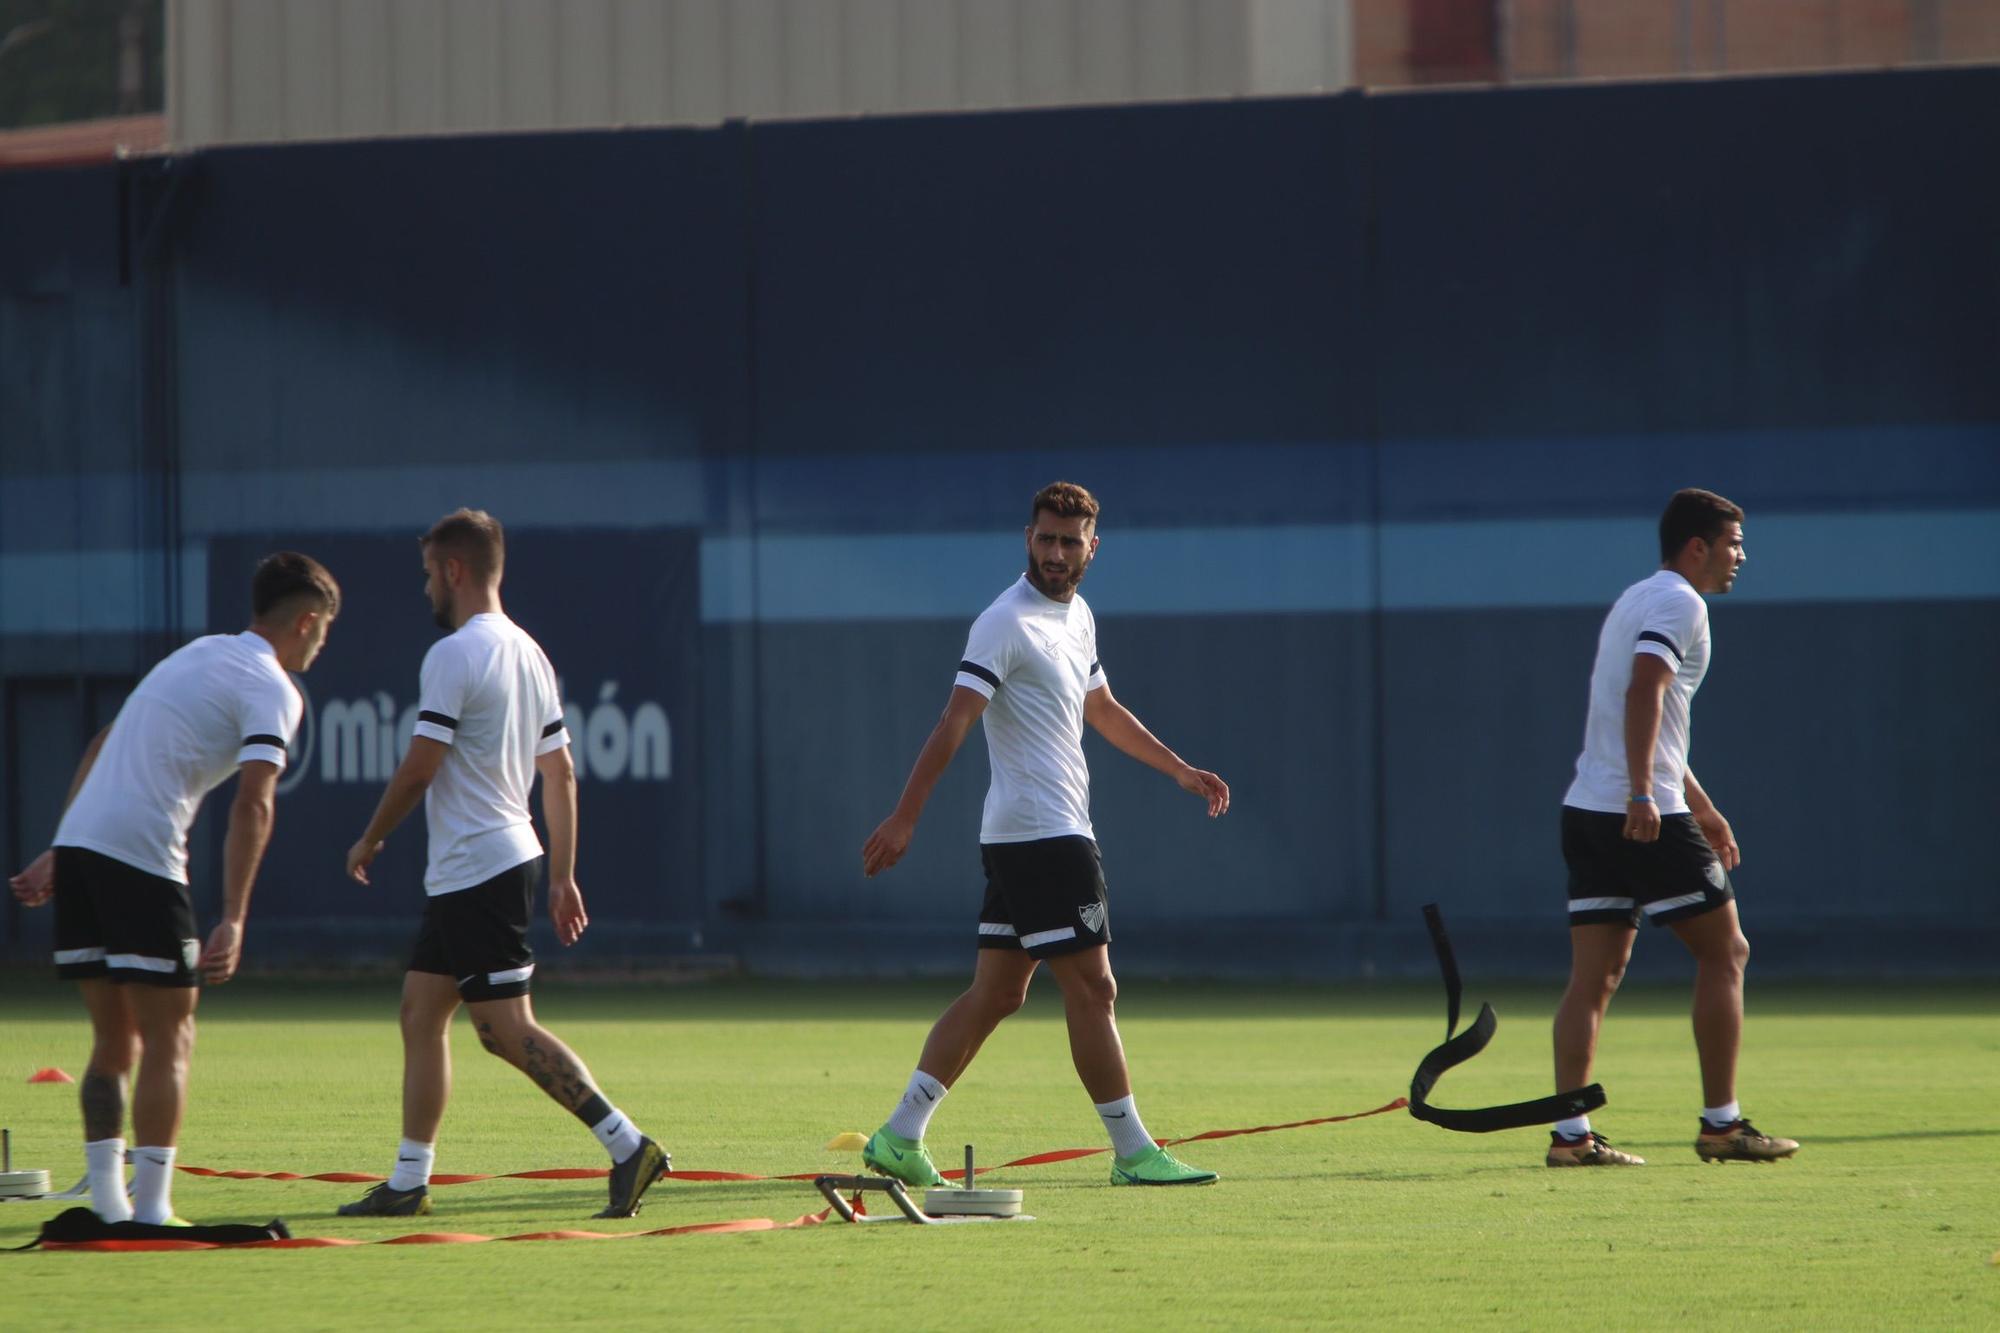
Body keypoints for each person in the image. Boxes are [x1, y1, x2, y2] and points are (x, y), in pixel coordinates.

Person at [858, 481, 1230, 1188]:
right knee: (1096, 989)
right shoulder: (1005, 622)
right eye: (1045, 537)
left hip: (1026, 837)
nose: (1056, 552)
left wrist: (1178, 768)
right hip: (1045, 837)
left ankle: (899, 1134)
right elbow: (954, 722)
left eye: (1069, 540)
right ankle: (1132, 1152)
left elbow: (1104, 708)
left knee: (997, 993)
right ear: (1026, 537)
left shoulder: (1077, 615)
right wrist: (906, 814)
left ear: (1094, 546)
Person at [338, 509, 667, 1220]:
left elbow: (421, 768)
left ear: (454, 570)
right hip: (493, 861)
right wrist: (561, 873)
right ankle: (408, 1180)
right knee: (421, 1011)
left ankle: (627, 1142)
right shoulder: (529, 651)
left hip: (477, 866)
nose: (426, 585)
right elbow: (563, 774)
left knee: (504, 1028)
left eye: (429, 571)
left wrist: (369, 837)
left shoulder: (455, 654)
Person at [8, 552, 339, 1224]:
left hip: (86, 846)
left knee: (113, 1038)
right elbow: (254, 802)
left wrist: (60, 847)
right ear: (306, 620)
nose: (322, 642)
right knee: (171, 1033)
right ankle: (154, 1209)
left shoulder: (193, 656)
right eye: (325, 629)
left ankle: (106, 1202)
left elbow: (104, 741)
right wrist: (236, 916)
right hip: (141, 854)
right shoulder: (276, 688)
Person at [1547, 488, 1798, 1167]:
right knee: (1728, 952)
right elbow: (1645, 690)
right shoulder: (1681, 603)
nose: (1740, 555)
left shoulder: (1638, 596)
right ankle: (1723, 1124)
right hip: (1640, 811)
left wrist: (1702, 803)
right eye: (1734, 543)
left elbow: (1651, 717)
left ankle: (1571, 1137)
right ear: (1698, 546)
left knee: (1593, 977)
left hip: (1589, 807)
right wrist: (1642, 793)